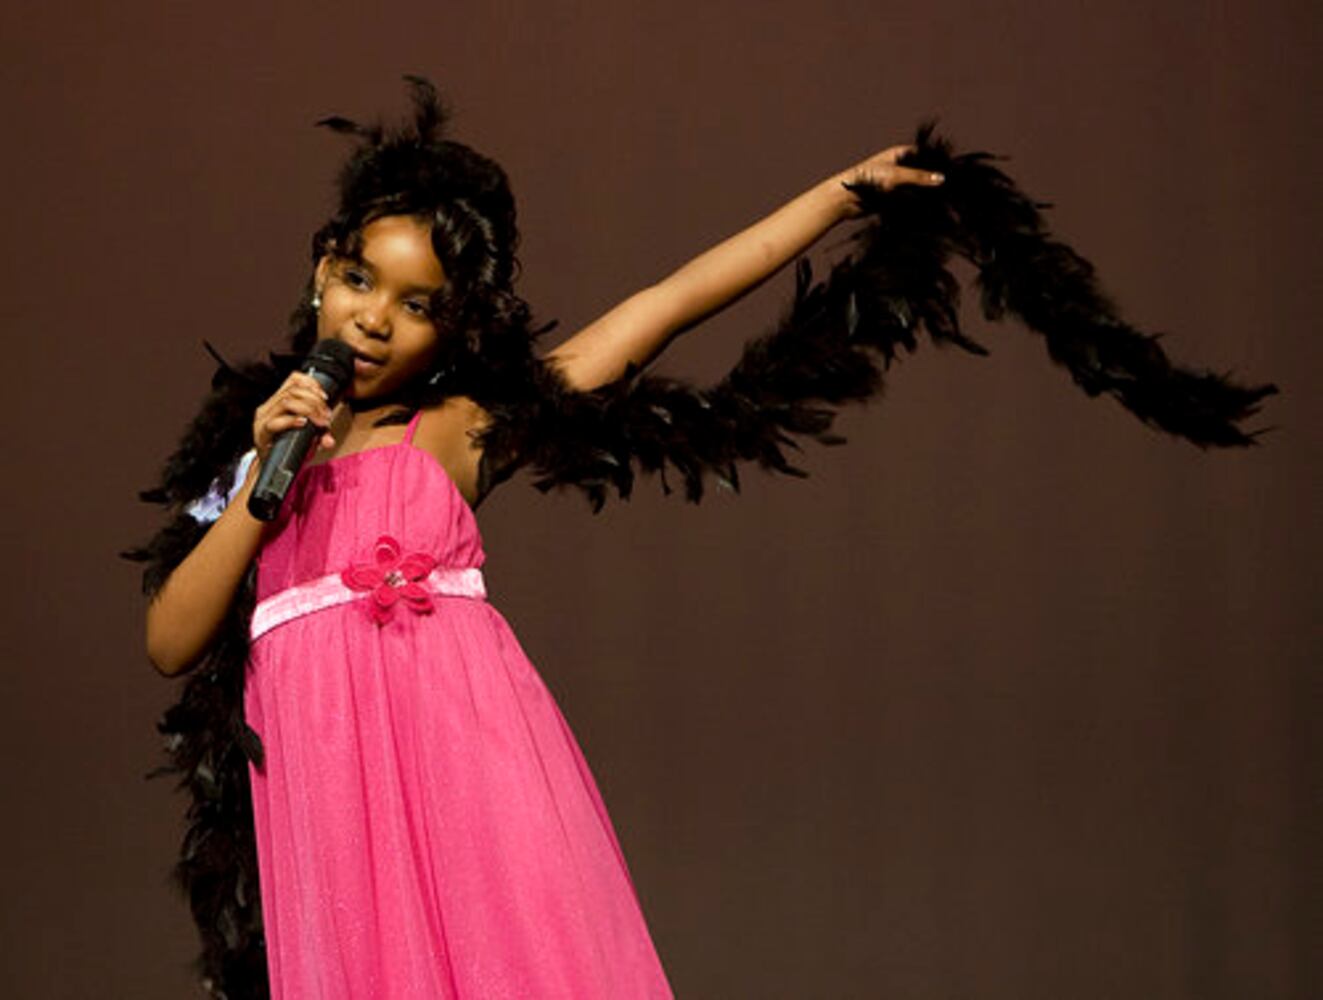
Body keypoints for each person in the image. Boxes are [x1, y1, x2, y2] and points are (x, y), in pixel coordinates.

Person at [133, 79, 1273, 999]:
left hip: (464, 770)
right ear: (320, 269)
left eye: (418, 302)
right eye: (357, 280)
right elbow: (173, 640)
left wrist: (838, 197)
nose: (375, 318)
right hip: (328, 803)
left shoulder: (460, 430)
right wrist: (258, 486)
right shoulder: (250, 462)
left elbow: (663, 305)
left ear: (456, 328)